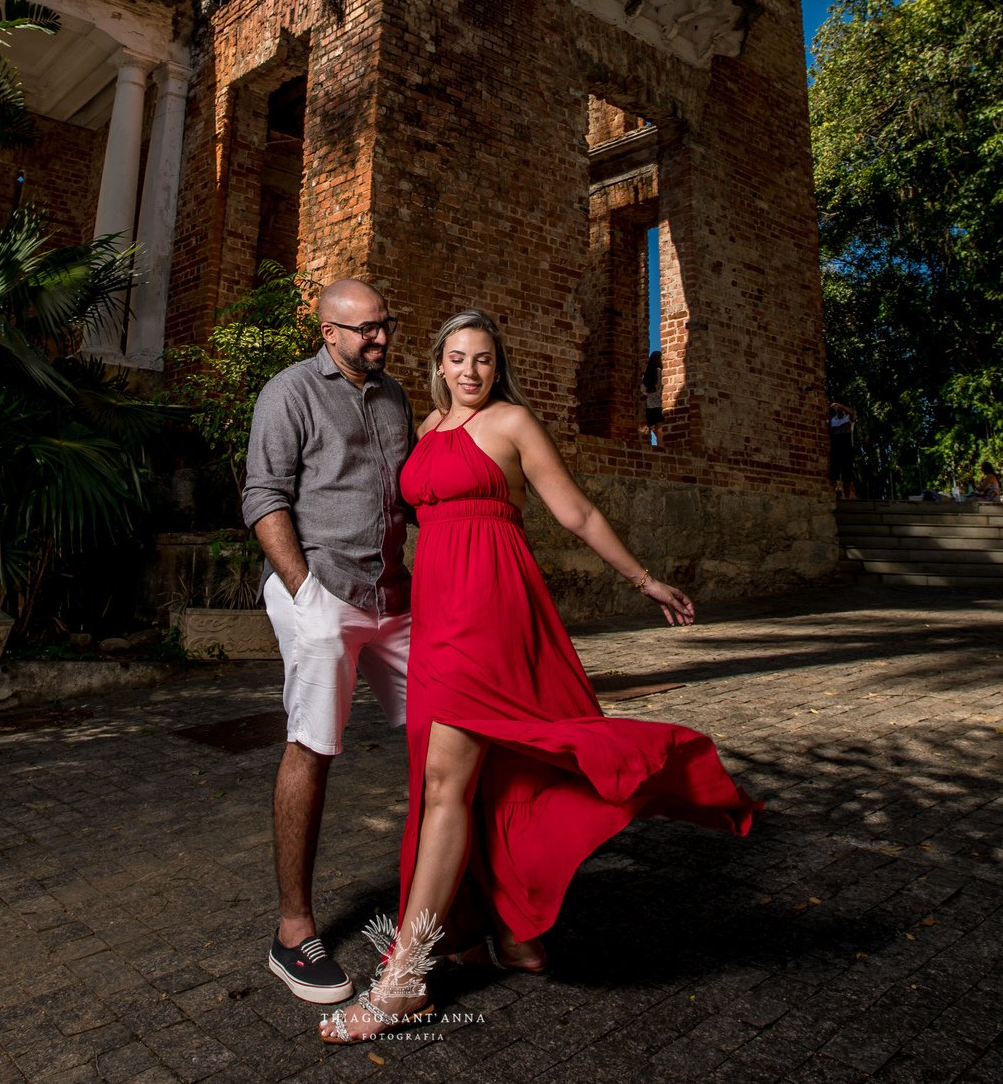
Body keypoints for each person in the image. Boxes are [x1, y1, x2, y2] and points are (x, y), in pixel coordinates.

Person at [319, 308, 760, 1045]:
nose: (469, 371)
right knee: (477, 780)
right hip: (434, 620)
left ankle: (405, 978)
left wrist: (644, 578)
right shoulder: (424, 431)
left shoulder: (514, 423)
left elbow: (577, 512)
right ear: (438, 363)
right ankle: (510, 930)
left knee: (445, 786)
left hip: (490, 614)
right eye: (457, 358)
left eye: (483, 359)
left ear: (499, 366)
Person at [244, 278, 415, 1006]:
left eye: (386, 324)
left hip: (393, 598)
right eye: (366, 329)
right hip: (319, 591)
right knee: (313, 743)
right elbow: (264, 496)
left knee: (446, 734)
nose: (380, 338)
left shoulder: (397, 395)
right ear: (329, 333)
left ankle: (448, 897)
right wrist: (306, 594)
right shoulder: (288, 393)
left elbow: (409, 496)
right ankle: (292, 931)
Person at [828, 401, 858, 500]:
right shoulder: (832, 421)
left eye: (840, 410)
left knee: (847, 475)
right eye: (837, 410)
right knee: (834, 473)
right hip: (836, 448)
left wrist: (841, 405)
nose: (838, 411)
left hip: (846, 448)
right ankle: (832, 495)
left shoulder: (848, 419)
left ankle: (847, 497)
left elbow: (852, 413)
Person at [643, 349, 664, 445]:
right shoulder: (659, 372)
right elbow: (661, 388)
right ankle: (662, 453)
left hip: (649, 408)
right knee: (661, 434)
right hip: (658, 406)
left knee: (658, 435)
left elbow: (643, 391)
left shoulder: (645, 375)